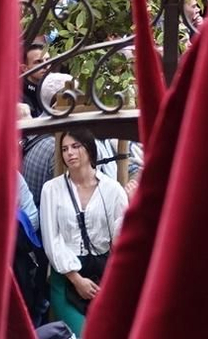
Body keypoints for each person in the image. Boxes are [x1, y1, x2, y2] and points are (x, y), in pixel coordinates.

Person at [40, 130, 129, 334]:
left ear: (89, 148)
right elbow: (52, 240)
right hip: (66, 276)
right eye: (64, 149)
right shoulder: (51, 189)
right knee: (82, 334)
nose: (69, 153)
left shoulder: (112, 189)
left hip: (103, 274)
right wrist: (76, 279)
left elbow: (122, 239)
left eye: (75, 146)